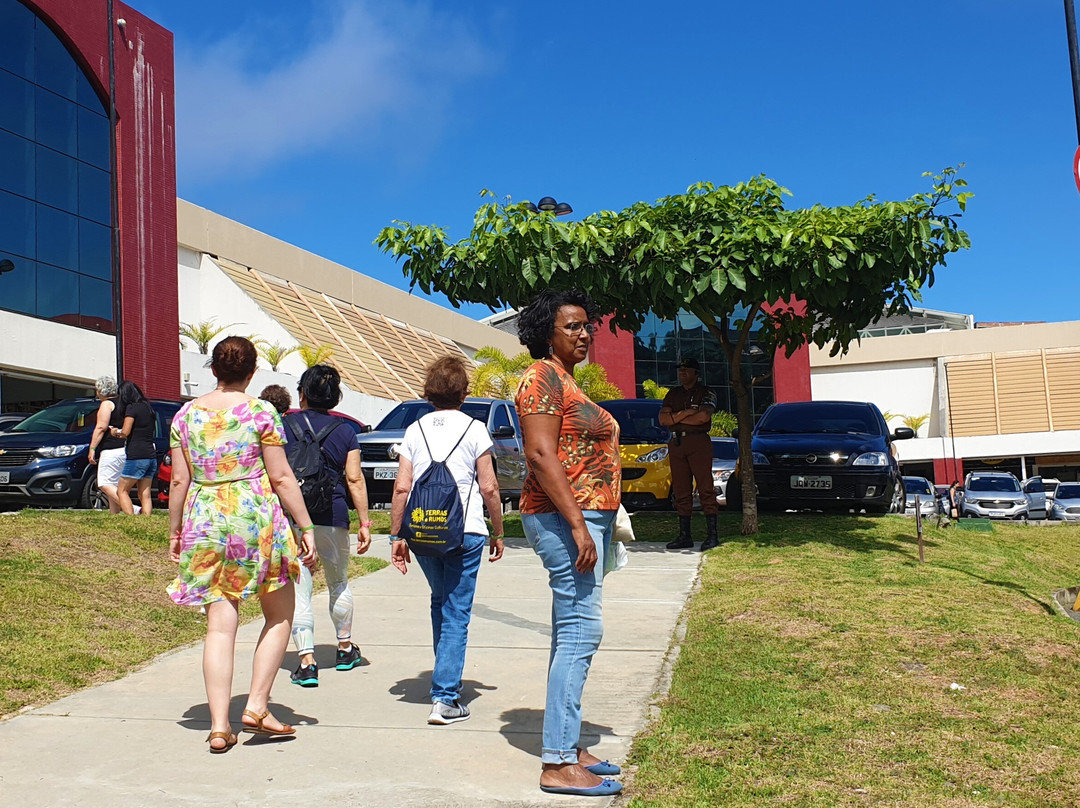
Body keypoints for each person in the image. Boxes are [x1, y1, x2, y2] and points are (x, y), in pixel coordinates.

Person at [166, 336, 317, 753]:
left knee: (219, 624)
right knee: (280, 613)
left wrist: (175, 531)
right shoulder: (261, 412)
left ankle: (218, 726)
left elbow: (179, 480)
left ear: (213, 370)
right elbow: (283, 477)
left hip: (207, 518)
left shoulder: (185, 416)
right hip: (255, 517)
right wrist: (305, 527)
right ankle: (256, 706)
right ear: (252, 373)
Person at [513, 290, 623, 798]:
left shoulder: (564, 380)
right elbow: (539, 453)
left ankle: (569, 742)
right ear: (547, 333)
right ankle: (556, 762)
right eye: (573, 326)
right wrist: (579, 524)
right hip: (563, 520)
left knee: (571, 631)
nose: (585, 334)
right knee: (583, 630)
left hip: (581, 516)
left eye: (587, 326)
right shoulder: (541, 377)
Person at [389, 355, 505, 725]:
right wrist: (498, 530)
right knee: (457, 611)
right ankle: (446, 697)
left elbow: (402, 487)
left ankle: (443, 678)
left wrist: (396, 535)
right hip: (465, 531)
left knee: (440, 602)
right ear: (464, 392)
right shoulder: (474, 429)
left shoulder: (415, 430)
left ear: (428, 392)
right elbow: (488, 486)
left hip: (423, 529)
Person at [284, 365, 372, 687]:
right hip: (333, 514)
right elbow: (354, 478)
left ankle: (306, 663)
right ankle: (345, 649)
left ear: (302, 393)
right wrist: (364, 522)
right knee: (338, 582)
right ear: (335, 397)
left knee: (300, 589)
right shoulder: (346, 431)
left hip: (294, 517)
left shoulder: (284, 427)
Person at [660, 357, 719, 551]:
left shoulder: (706, 392)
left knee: (705, 487)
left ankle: (712, 535)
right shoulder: (673, 393)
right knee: (681, 489)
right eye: (680, 370)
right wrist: (686, 413)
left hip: (698, 441)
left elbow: (703, 417)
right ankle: (685, 535)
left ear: (696, 373)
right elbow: (663, 419)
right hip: (677, 442)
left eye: (686, 370)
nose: (682, 373)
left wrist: (676, 416)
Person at [112, 380, 157, 516]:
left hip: (136, 455)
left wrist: (114, 432)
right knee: (145, 492)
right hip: (150, 455)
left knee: (122, 490)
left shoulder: (132, 408)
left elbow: (125, 432)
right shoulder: (148, 407)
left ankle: (131, 518)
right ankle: (147, 519)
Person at [86, 375, 125, 513]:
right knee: (116, 484)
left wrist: (92, 448)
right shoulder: (124, 403)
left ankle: (132, 509)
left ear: (101, 391)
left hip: (111, 449)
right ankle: (114, 514)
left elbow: (101, 427)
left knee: (103, 483)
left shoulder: (106, 404)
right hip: (125, 448)